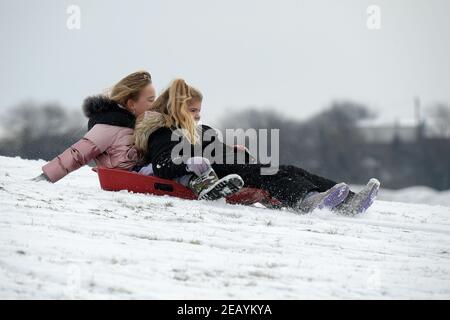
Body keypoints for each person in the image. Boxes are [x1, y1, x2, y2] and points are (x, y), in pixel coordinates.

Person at [134, 79, 380, 214]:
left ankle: (348, 199)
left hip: (233, 164)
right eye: (193, 110)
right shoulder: (163, 132)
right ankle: (307, 200)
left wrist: (232, 150)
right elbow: (163, 164)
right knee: (271, 176)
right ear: (177, 109)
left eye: (199, 110)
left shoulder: (202, 130)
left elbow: (216, 147)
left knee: (289, 169)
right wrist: (190, 161)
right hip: (222, 175)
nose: (198, 116)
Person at [33, 70, 156, 183]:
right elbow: (77, 154)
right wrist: (46, 177)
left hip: (147, 181)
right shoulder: (108, 127)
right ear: (132, 104)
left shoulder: (141, 126)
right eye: (151, 100)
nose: (155, 104)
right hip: (124, 181)